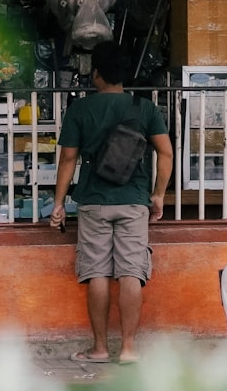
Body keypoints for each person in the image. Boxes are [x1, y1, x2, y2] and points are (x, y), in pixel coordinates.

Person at [49, 41, 173, 365]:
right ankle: (129, 349)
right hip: (134, 202)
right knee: (131, 272)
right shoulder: (144, 108)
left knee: (98, 273)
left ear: (96, 74)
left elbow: (68, 158)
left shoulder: (80, 109)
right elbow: (166, 153)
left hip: (93, 203)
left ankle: (100, 348)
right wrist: (158, 195)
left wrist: (58, 203)